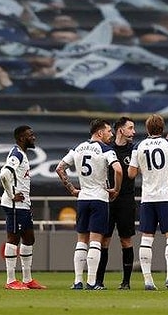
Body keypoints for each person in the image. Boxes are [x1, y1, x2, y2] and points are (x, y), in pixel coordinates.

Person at [55, 119, 122, 290]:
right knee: (95, 241)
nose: (111, 134)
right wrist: (115, 189)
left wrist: (71, 188)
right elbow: (119, 170)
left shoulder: (78, 148)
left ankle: (77, 281)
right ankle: (92, 282)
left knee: (81, 241)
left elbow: (60, 168)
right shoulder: (106, 149)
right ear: (100, 133)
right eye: (108, 131)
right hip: (99, 198)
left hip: (83, 198)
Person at [128, 114, 168, 291]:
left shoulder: (138, 146)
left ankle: (148, 281)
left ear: (147, 129)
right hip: (166, 197)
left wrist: (143, 165)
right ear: (162, 128)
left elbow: (131, 174)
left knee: (146, 239)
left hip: (148, 198)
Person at [0, 125, 46, 290]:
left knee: (29, 239)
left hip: (23, 205)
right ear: (21, 138)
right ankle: (11, 281)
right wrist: (12, 195)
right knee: (13, 240)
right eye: (30, 135)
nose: (34, 137)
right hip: (14, 205)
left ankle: (27, 279)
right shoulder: (17, 153)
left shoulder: (22, 154)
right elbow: (4, 174)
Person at [95, 117, 137, 290]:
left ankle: (126, 282)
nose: (134, 132)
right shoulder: (107, 149)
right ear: (121, 130)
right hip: (108, 199)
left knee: (126, 241)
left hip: (127, 200)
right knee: (104, 241)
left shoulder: (134, 150)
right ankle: (98, 281)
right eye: (130, 128)